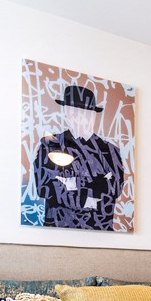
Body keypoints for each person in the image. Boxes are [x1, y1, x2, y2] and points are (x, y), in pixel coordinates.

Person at [33, 85, 126, 231]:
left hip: (99, 233)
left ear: (93, 115)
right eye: (73, 111)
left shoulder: (110, 150)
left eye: (84, 112)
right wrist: (92, 193)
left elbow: (114, 189)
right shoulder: (50, 144)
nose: (78, 117)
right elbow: (44, 187)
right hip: (57, 232)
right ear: (66, 112)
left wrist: (70, 182)